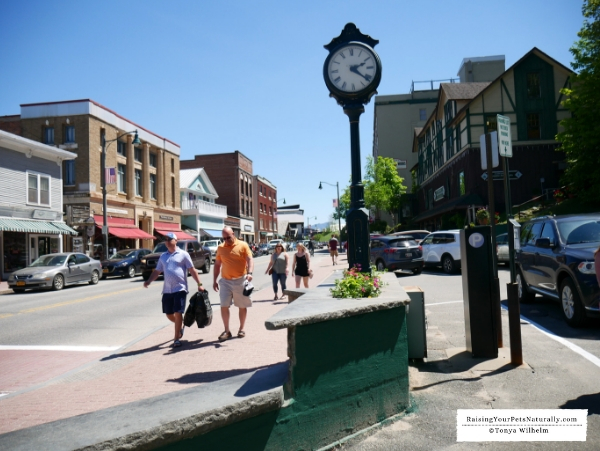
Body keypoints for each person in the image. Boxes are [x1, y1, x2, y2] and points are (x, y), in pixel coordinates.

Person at [143, 232, 204, 348]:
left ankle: (176, 339)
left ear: (176, 241)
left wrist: (199, 284)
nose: (167, 241)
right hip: (167, 290)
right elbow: (157, 271)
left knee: (178, 312)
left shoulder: (183, 254)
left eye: (169, 239)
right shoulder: (163, 256)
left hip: (180, 288)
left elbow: (192, 270)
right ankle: (179, 324)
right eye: (165, 239)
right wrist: (149, 281)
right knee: (169, 314)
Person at [213, 226, 254, 342]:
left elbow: (250, 259)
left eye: (228, 237)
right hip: (225, 281)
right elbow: (217, 265)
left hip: (240, 280)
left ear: (233, 234)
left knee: (242, 305)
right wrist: (214, 280)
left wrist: (250, 273)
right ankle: (227, 331)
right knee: (224, 305)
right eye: (224, 238)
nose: (226, 240)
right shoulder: (221, 248)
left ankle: (241, 329)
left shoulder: (243, 245)